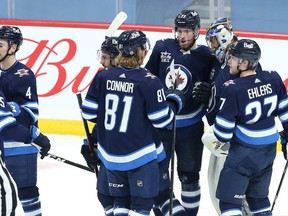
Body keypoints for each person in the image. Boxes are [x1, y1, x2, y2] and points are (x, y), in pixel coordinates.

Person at [81, 29, 184, 216]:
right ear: (142, 52)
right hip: (140, 157)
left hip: (110, 158)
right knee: (145, 204)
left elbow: (88, 112)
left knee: (121, 201)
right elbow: (162, 120)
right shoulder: (149, 82)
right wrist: (174, 101)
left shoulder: (102, 77)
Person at [145, 9, 214, 215]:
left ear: (196, 32)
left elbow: (216, 85)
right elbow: (147, 78)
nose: (182, 35)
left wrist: (208, 90)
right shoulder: (162, 48)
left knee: (189, 176)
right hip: (162, 125)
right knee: (158, 174)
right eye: (179, 30)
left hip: (190, 127)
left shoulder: (206, 55)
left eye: (187, 31)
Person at [213, 38, 288, 215]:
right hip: (268, 153)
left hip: (243, 155)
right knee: (258, 199)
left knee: (229, 203)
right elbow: (286, 114)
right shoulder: (273, 78)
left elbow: (222, 133)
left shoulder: (232, 88)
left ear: (244, 62)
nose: (229, 60)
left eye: (233, 57)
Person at [193, 18, 251, 216]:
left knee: (230, 194)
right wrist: (206, 95)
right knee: (215, 187)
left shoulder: (242, 61)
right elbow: (222, 93)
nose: (212, 46)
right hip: (220, 134)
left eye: (214, 41)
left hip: (234, 139)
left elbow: (245, 96)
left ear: (224, 37)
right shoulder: (221, 62)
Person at [0, 25, 45, 215]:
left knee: (27, 192)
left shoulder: (23, 75)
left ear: (13, 47)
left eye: (0, 44)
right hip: (3, 142)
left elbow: (30, 115)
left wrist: (8, 107)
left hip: (20, 145)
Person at [81, 36, 120, 216]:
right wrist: (90, 142)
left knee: (123, 199)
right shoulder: (103, 78)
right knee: (105, 195)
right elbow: (101, 118)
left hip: (127, 151)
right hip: (108, 148)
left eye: (105, 57)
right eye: (101, 56)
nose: (101, 61)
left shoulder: (134, 80)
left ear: (117, 57)